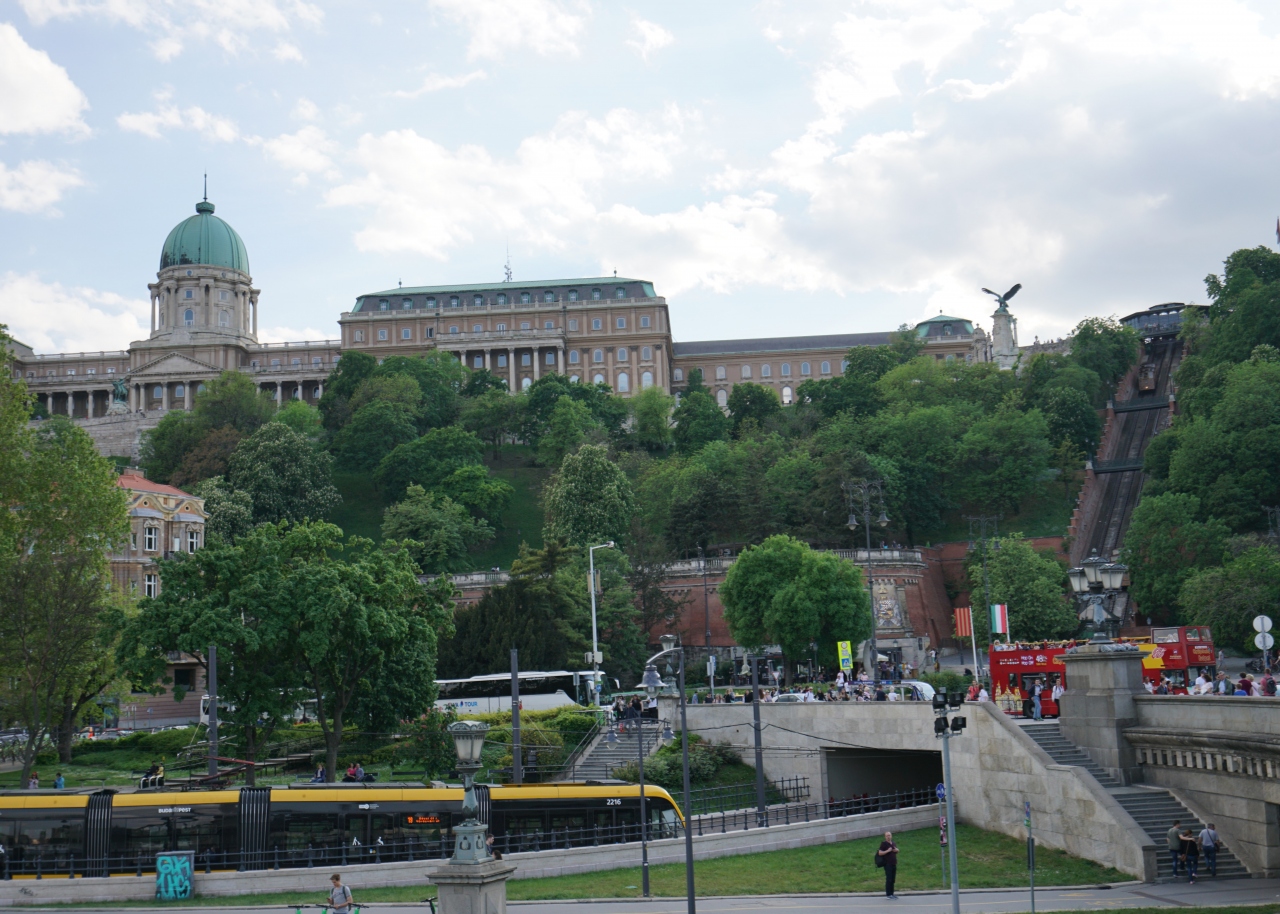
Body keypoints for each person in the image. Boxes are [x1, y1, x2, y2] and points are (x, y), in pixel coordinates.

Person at [877, 830, 899, 899]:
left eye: (889, 835)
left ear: (891, 836)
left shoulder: (893, 843)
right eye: (887, 836)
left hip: (893, 863)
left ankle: (892, 894)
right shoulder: (884, 844)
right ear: (885, 837)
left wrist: (897, 850)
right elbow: (880, 853)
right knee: (889, 879)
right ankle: (888, 894)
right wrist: (887, 851)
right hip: (887, 864)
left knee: (893, 879)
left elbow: (896, 850)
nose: (888, 837)